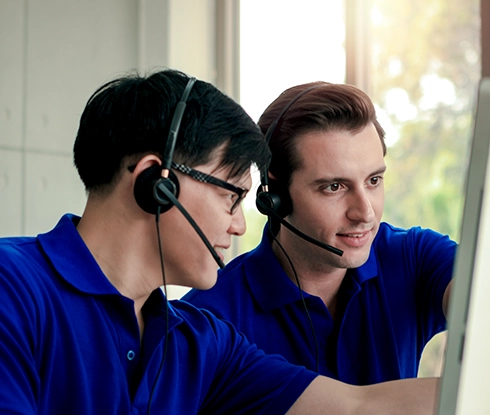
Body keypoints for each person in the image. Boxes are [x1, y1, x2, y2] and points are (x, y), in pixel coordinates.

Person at [0, 69, 439, 415]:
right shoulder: (14, 289)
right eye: (230, 197)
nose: (240, 226)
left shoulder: (200, 342)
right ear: (156, 183)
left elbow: (357, 407)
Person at [183, 81, 456, 385]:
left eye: (374, 180)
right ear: (275, 194)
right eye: (334, 187)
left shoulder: (413, 257)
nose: (365, 213)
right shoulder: (208, 319)